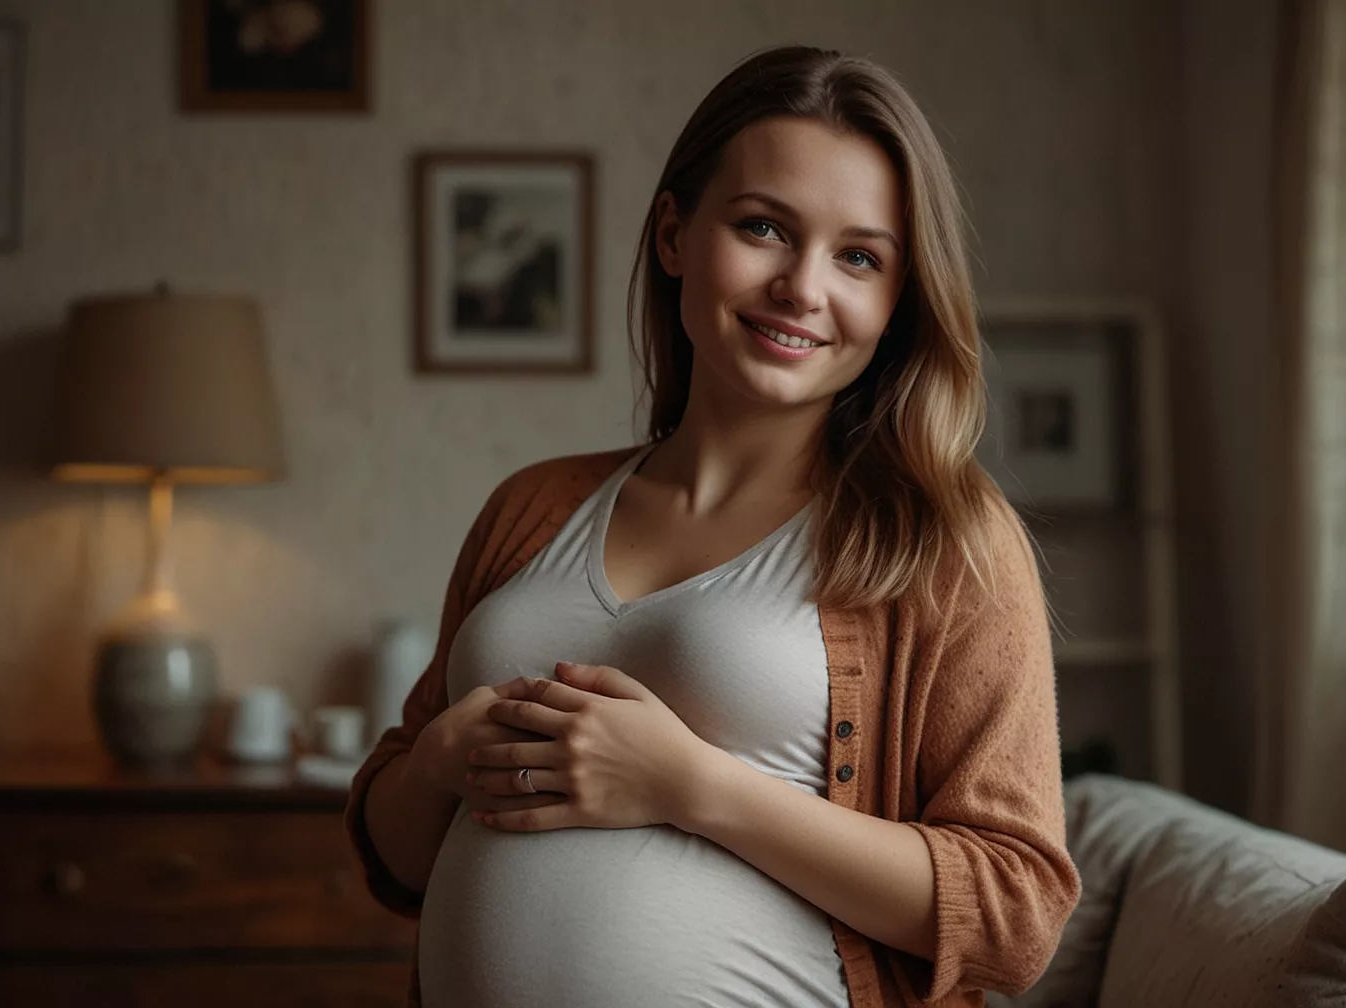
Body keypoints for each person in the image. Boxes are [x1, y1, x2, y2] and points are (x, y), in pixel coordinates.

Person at [345, 44, 1080, 1008]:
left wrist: (690, 785)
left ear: (897, 300)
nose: (803, 287)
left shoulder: (941, 540)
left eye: (859, 257)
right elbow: (395, 858)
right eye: (764, 227)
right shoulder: (531, 508)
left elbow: (1015, 914)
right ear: (673, 234)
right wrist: (444, 757)